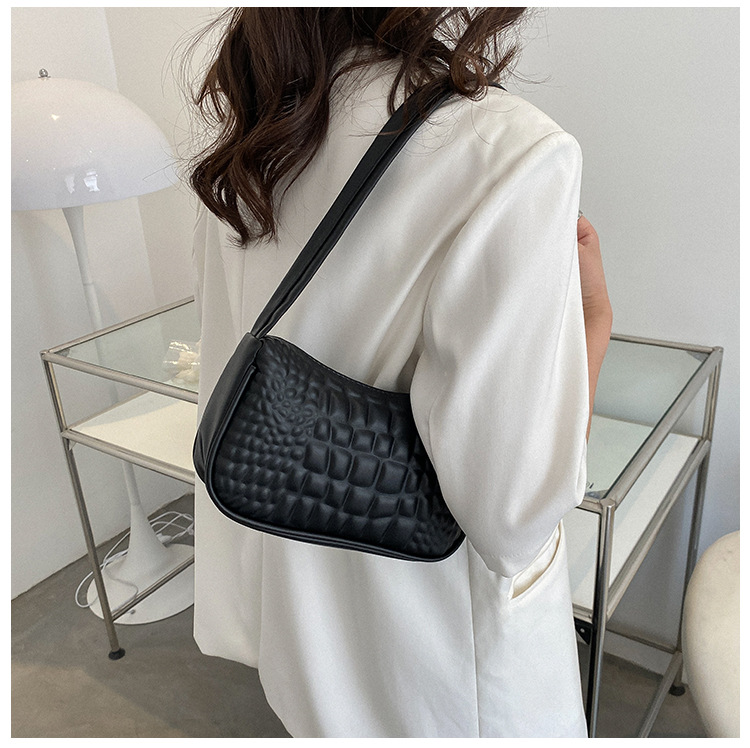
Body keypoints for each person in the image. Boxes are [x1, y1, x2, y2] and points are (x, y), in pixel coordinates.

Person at [188, 7, 612, 738]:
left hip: (305, 643)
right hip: (444, 679)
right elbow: (514, 517)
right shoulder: (506, 149)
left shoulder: (254, 138)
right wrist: (594, 327)